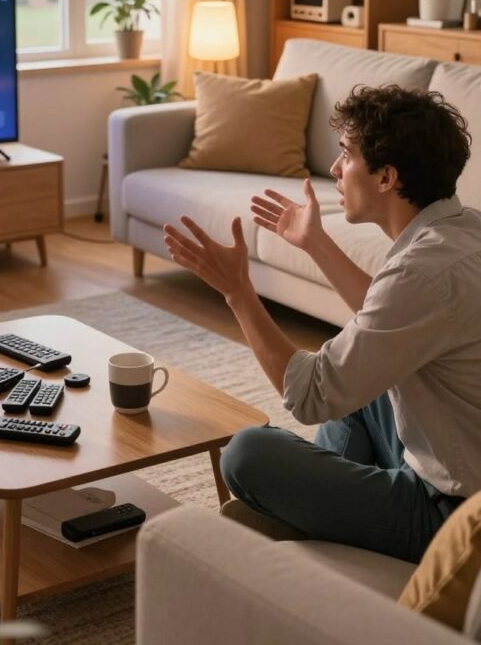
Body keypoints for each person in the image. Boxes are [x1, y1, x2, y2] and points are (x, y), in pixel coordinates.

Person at [163, 84, 481, 563]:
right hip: (457, 461)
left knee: (247, 453)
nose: (334, 169)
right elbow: (386, 319)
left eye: (346, 155)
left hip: (451, 515)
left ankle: (307, 520)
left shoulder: (420, 274)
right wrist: (314, 242)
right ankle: (315, 514)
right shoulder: (463, 232)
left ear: (386, 177)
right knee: (359, 371)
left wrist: (238, 293)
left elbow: (308, 396)